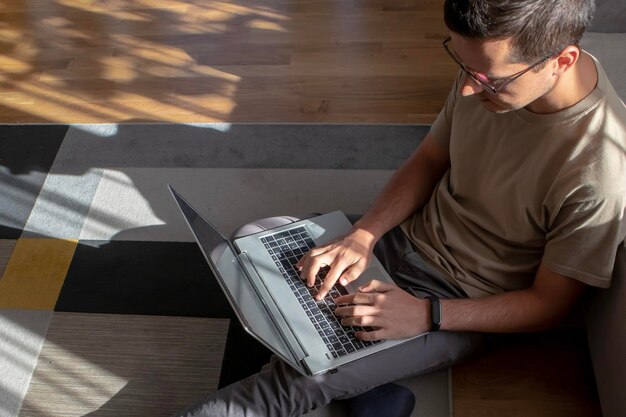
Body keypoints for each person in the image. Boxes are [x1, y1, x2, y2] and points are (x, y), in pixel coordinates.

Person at [172, 0, 626, 416]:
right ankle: (372, 390)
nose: (467, 90)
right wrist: (362, 235)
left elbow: (548, 306)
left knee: (300, 380)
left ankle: (355, 376)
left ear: (561, 60)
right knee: (259, 242)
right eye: (461, 64)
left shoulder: (599, 172)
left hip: (462, 302)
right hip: (403, 238)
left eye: (487, 78)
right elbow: (430, 159)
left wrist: (425, 313)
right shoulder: (488, 67)